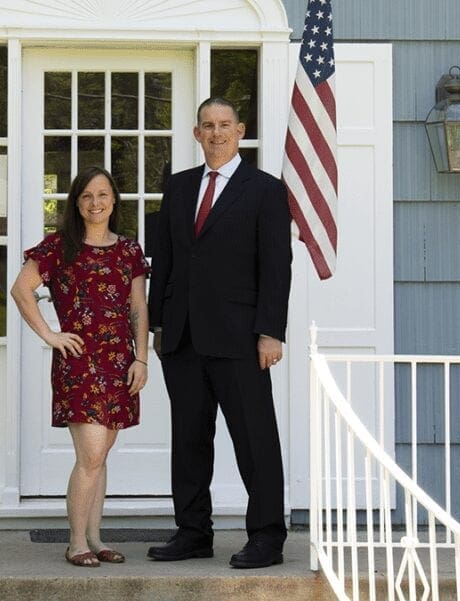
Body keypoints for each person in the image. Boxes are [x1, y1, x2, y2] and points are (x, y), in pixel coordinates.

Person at [146, 97, 292, 569]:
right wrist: (158, 323)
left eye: (225, 124)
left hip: (241, 338)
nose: (216, 132)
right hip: (183, 337)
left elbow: (276, 266)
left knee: (255, 440)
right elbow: (164, 260)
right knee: (188, 440)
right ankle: (193, 532)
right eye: (207, 125)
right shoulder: (180, 187)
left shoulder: (265, 190)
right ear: (196, 133)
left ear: (240, 130)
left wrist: (270, 332)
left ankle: (267, 537)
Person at [11, 166, 150, 568]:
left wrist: (141, 358)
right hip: (79, 364)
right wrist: (50, 335)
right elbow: (21, 289)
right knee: (90, 453)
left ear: (114, 200)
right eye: (87, 196)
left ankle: (94, 536)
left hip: (119, 363)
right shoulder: (59, 247)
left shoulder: (128, 250)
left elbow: (138, 307)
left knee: (101, 455)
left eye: (103, 195)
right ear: (76, 202)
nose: (95, 203)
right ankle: (75, 542)